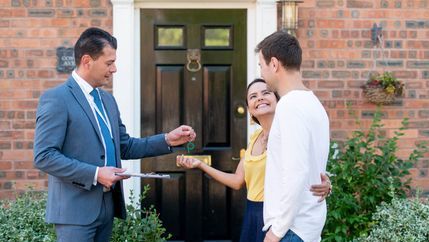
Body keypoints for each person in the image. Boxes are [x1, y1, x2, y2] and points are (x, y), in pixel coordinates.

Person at [33, 27, 196, 242]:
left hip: (106, 208)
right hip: (75, 214)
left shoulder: (107, 100)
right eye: (109, 63)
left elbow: (125, 146)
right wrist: (96, 173)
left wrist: (167, 139)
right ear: (87, 60)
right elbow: (44, 156)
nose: (114, 69)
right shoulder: (57, 99)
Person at [176, 79, 331, 242]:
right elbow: (237, 181)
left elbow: (301, 169)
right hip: (253, 213)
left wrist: (326, 184)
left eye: (266, 93)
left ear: (277, 100)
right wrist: (200, 165)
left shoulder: (288, 135)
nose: (260, 98)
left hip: (277, 217)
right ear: (249, 109)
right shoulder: (254, 138)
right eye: (253, 96)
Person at [255, 31, 330, 242]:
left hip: (291, 230)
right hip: (307, 226)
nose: (261, 72)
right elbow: (313, 166)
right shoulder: (314, 104)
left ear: (275, 64)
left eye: (261, 65)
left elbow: (296, 173)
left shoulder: (289, 106)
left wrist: (276, 232)